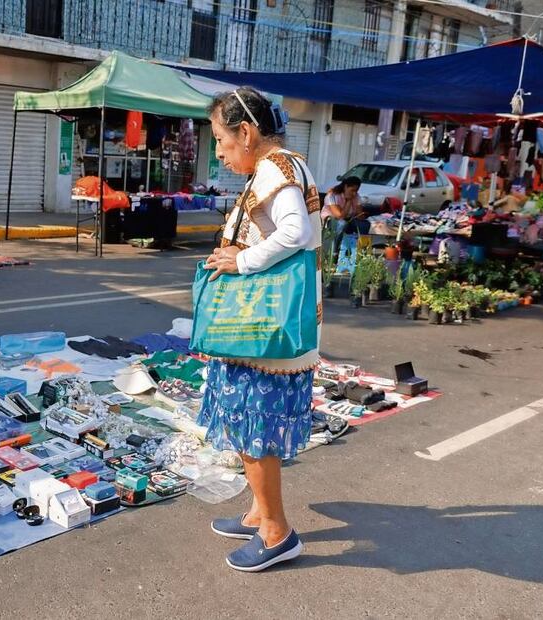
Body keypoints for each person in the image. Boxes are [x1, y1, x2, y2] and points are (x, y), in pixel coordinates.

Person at [200, 87, 321, 572]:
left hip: (264, 332)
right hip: (266, 326)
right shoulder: (284, 165)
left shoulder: (276, 167)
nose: (219, 152)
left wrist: (242, 259)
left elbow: (297, 233)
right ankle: (259, 512)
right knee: (251, 422)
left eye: (222, 141)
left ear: (246, 133)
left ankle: (277, 533)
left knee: (256, 426)